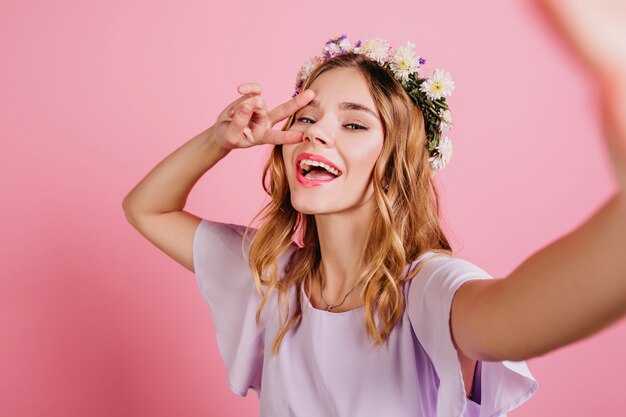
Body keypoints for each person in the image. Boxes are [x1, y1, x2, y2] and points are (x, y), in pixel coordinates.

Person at [122, 1, 626, 415]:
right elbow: (147, 209)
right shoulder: (270, 276)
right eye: (307, 116)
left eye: (355, 124)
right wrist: (219, 139)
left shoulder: (429, 288)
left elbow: (519, 316)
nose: (316, 132)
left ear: (394, 163)